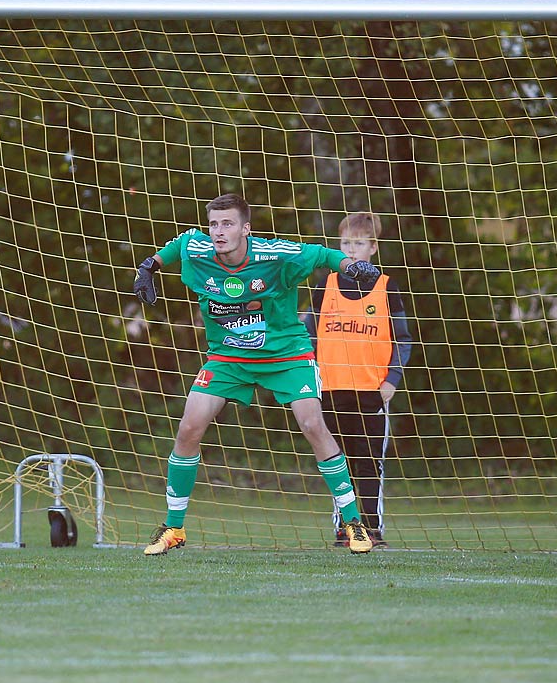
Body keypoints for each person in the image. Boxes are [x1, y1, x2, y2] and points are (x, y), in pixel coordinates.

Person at [132, 194, 384, 556]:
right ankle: (173, 528)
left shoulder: (276, 255)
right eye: (214, 224)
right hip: (228, 357)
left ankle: (353, 523)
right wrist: (148, 267)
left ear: (246, 228)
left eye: (228, 223)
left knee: (313, 425)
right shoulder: (198, 248)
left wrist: (350, 266)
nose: (219, 232)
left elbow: (322, 255)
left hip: (286, 354)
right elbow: (179, 244)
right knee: (189, 427)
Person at [307, 211, 411, 547]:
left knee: (369, 464)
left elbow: (403, 338)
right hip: (331, 390)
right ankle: (345, 527)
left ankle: (372, 527)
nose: (351, 250)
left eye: (358, 243)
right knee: (337, 463)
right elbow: (307, 334)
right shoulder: (326, 286)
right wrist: (310, 377)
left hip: (371, 392)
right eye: (345, 243)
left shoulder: (386, 286)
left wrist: (392, 379)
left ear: (373, 247)